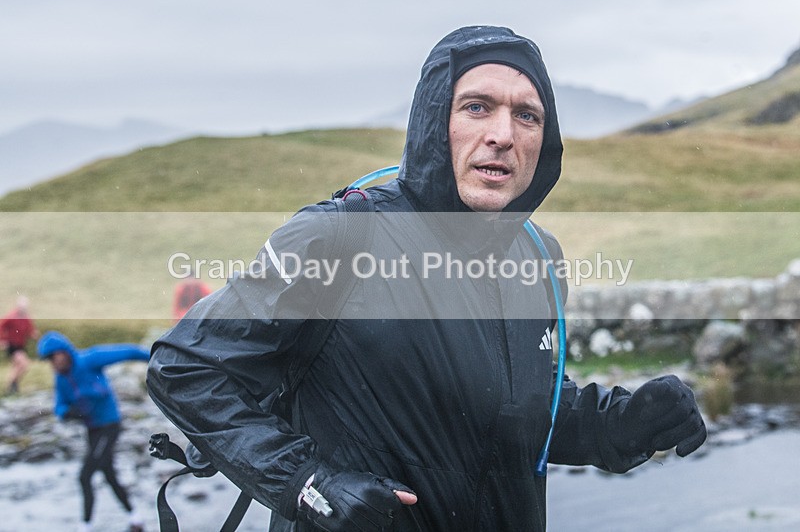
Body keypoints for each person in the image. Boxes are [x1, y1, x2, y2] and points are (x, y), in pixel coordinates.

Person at [148, 26, 707, 531]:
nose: (503, 134)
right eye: (477, 107)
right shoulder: (341, 235)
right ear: (434, 120)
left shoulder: (540, 258)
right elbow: (187, 368)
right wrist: (304, 483)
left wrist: (622, 423)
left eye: (527, 115)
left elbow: (521, 414)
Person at [38, 330, 148, 532]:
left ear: (63, 352)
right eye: (49, 361)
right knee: (108, 474)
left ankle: (85, 526)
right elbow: (59, 405)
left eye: (53, 357)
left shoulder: (89, 360)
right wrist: (67, 412)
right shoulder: (61, 379)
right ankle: (136, 518)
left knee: (85, 475)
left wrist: (153, 356)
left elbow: (126, 352)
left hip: (109, 426)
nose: (52, 364)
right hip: (92, 430)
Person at [0, 296, 39, 395]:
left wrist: (34, 335)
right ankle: (11, 385)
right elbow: (1, 326)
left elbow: (30, 330)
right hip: (12, 345)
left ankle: (13, 387)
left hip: (21, 345)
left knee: (17, 366)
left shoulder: (25, 318)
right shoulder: (12, 316)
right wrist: (2, 340)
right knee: (24, 364)